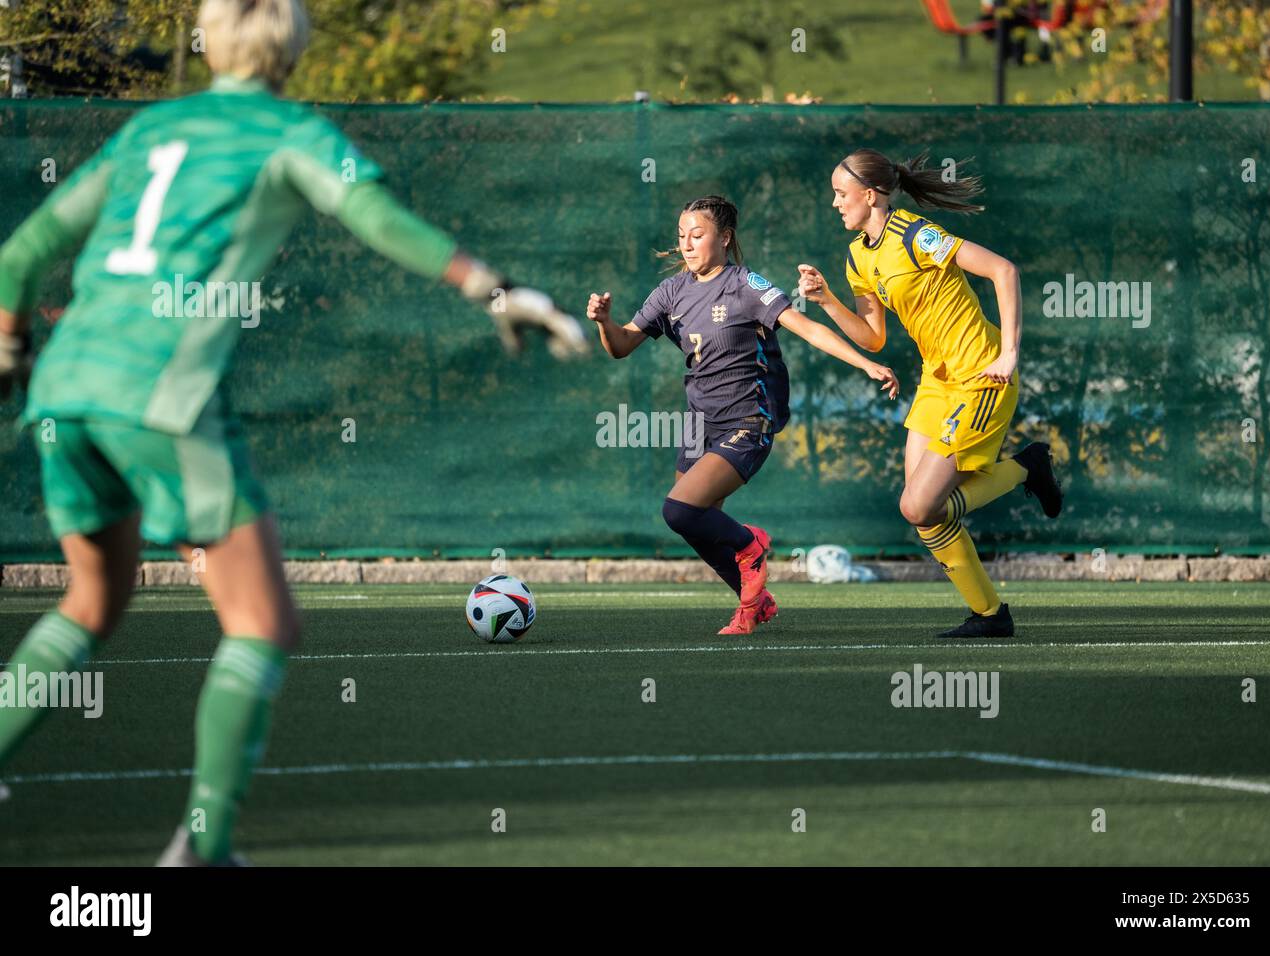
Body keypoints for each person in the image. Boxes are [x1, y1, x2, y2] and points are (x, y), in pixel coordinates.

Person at [0, 0, 587, 864]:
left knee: (89, 602)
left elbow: (20, 252)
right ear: (294, 47)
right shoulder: (286, 132)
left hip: (64, 392)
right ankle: (204, 847)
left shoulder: (152, 130)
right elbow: (376, 218)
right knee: (262, 625)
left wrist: (12, 347)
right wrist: (493, 288)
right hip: (162, 395)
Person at [587, 195, 899, 635]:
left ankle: (750, 544)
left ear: (725, 238)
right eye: (681, 237)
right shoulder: (670, 291)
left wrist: (865, 363)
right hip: (699, 423)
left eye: (698, 235)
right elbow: (620, 347)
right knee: (695, 522)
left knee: (679, 510)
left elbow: (806, 326)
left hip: (748, 419)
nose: (687, 245)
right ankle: (756, 602)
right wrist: (604, 321)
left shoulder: (745, 285)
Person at [797, 149, 1061, 638]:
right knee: (922, 512)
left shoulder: (916, 234)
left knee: (920, 506)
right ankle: (990, 616)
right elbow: (874, 337)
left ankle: (1028, 466)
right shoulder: (858, 256)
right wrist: (827, 300)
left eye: (840, 193)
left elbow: (1004, 271)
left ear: (870, 195)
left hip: (983, 376)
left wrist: (1009, 354)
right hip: (937, 384)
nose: (834, 203)